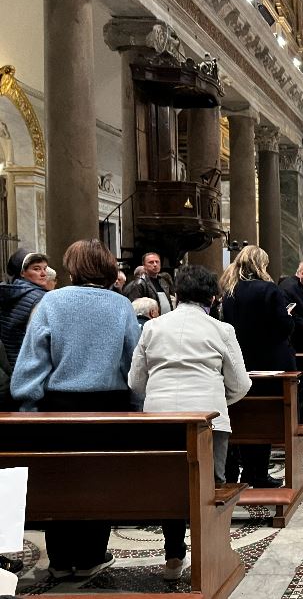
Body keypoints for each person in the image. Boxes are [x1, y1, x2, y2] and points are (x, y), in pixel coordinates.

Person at [12, 239, 140, 579]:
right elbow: (134, 361)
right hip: (109, 406)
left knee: (59, 478)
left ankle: (59, 560)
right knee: (100, 479)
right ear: (108, 269)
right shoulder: (121, 305)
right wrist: (137, 403)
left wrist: (28, 402)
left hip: (60, 405)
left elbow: (32, 361)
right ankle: (90, 557)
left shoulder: (51, 302)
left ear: (72, 267)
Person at [128, 265, 251, 580]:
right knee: (212, 487)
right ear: (212, 297)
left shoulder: (153, 327)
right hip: (208, 419)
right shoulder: (221, 329)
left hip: (161, 418)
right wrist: (220, 399)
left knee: (169, 486)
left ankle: (172, 557)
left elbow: (135, 381)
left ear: (176, 294)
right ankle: (211, 557)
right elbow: (241, 383)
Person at [219, 245, 294, 488]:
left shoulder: (230, 291)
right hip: (271, 362)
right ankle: (257, 472)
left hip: (241, 361)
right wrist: (289, 317)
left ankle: (245, 467)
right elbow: (283, 327)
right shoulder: (269, 290)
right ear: (261, 265)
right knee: (267, 416)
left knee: (245, 414)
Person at [0, 249, 48, 369]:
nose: (43, 273)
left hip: (9, 363)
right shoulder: (39, 298)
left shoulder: (7, 292)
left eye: (45, 268)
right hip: (29, 366)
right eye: (36, 269)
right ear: (22, 273)